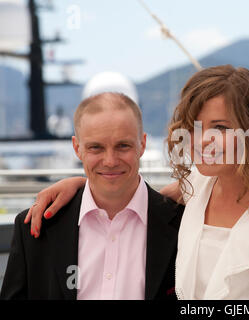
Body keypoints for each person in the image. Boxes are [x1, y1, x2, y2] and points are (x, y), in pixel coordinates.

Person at [22, 65, 249, 299]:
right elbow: (132, 195)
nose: (203, 140)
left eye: (220, 127)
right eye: (194, 126)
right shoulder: (198, 187)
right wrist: (81, 186)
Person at [0, 92, 184, 299]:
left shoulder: (184, 223)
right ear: (77, 148)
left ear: (142, 144)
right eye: (96, 147)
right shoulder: (34, 228)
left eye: (123, 145)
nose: (110, 161)